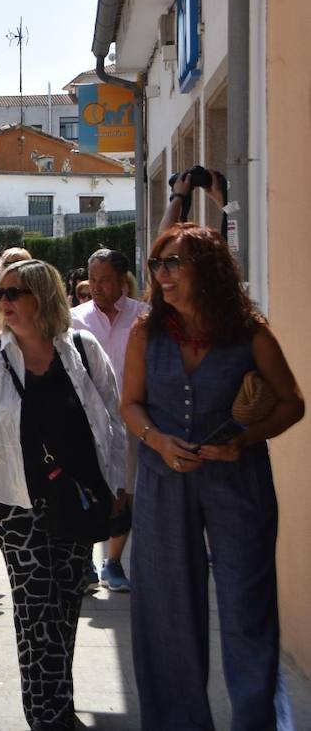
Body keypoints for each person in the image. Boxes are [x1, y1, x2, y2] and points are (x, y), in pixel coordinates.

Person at [121, 223, 303, 730]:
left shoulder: (249, 330)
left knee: (248, 606)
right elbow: (130, 404)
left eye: (174, 263)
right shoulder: (146, 332)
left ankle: (256, 721)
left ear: (209, 268)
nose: (163, 275)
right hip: (163, 479)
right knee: (166, 609)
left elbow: (292, 403)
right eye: (158, 265)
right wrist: (156, 439)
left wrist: (242, 441)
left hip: (237, 480)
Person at [0, 260, 127, 731]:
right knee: (34, 606)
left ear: (42, 298)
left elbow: (115, 421)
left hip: (78, 497)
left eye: (13, 293)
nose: (2, 302)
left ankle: (59, 704)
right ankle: (46, 716)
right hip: (13, 501)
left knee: (65, 606)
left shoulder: (82, 351)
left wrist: (122, 484)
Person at [71, 248, 147, 593]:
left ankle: (113, 561)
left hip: (131, 418)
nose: (97, 287)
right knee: (87, 490)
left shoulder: (143, 317)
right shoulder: (74, 319)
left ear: (122, 281)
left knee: (124, 491)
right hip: (86, 421)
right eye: (93, 280)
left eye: (105, 280)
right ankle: (84, 562)